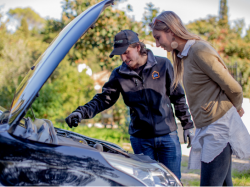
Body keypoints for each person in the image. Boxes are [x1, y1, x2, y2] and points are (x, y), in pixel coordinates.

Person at [65, 29, 194, 180]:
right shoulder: (119, 74)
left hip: (168, 136)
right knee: (145, 183)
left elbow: (177, 97)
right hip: (141, 140)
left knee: (172, 181)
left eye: (126, 52)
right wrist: (81, 112)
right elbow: (103, 99)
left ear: (138, 47)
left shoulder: (163, 65)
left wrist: (187, 125)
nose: (123, 58)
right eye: (120, 54)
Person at [149, 11, 250, 186]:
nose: (157, 44)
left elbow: (234, 87)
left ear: (171, 31)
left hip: (218, 127)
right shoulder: (184, 56)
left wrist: (237, 107)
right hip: (208, 126)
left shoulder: (199, 50)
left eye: (158, 38)